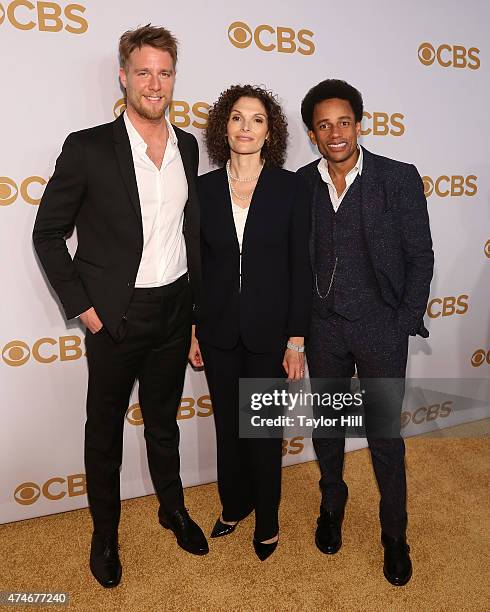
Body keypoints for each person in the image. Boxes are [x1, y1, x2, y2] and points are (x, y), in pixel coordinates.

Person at [32, 25, 208, 588]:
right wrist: (84, 308)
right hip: (115, 317)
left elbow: (186, 235)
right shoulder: (86, 147)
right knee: (103, 431)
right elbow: (47, 233)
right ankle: (105, 533)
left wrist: (196, 314)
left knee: (164, 423)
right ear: (123, 76)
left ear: (173, 78)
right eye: (143, 72)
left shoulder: (187, 145)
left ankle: (172, 508)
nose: (154, 83)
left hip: (175, 308)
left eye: (164, 72)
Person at [297, 79, 433, 585]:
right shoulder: (301, 185)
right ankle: (333, 502)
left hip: (381, 330)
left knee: (384, 439)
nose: (335, 133)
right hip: (323, 329)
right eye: (324, 125)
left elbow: (420, 257)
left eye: (344, 122)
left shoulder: (396, 178)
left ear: (360, 123)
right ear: (313, 133)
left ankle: (394, 534)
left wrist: (401, 322)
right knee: (327, 428)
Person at [188, 84, 311, 560]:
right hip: (217, 330)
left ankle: (268, 517)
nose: (246, 127)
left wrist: (296, 337)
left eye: (257, 119)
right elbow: (196, 265)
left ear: (270, 131)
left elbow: (302, 266)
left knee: (262, 430)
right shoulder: (202, 189)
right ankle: (234, 505)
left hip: (270, 332)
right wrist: (194, 328)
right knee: (229, 428)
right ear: (224, 127)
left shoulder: (290, 187)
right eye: (237, 118)